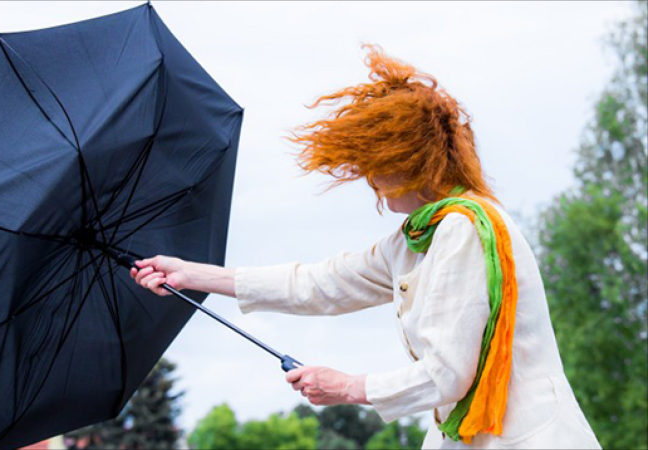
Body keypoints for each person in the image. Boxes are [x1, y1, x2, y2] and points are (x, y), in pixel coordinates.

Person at [128, 45, 601, 449]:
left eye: (376, 162)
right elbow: (319, 283)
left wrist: (349, 387)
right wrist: (193, 274)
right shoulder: (419, 237)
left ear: (412, 159)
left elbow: (447, 375)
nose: (370, 179)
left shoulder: (463, 229)